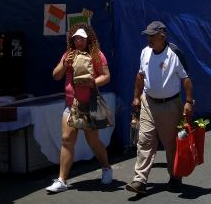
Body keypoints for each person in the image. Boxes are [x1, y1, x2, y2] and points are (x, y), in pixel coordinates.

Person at [126, 21, 193, 195]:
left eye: (152, 35)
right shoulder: (145, 52)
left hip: (170, 105)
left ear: (162, 36)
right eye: (147, 35)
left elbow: (186, 78)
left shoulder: (174, 53)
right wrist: (136, 97)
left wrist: (189, 102)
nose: (148, 38)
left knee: (171, 143)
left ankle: (175, 177)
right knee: (144, 141)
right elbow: (140, 75)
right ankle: (140, 180)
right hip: (148, 103)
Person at [47, 25, 112, 192]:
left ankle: (106, 168)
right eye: (75, 39)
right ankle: (62, 180)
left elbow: (106, 76)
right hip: (70, 105)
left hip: (89, 105)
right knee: (66, 140)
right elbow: (56, 75)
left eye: (81, 39)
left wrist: (92, 83)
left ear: (88, 39)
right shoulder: (68, 54)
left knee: (93, 142)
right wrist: (65, 63)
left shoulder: (96, 55)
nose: (78, 42)